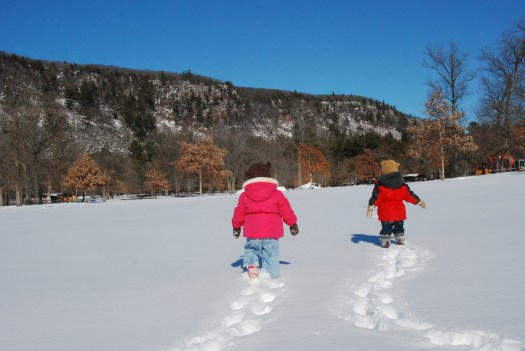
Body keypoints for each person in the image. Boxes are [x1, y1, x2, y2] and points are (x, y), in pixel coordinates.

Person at [232, 162, 299, 279]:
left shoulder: (244, 195)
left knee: (251, 249)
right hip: (271, 231)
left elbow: (239, 212)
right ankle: (272, 274)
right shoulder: (277, 194)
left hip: (253, 231)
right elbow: (286, 210)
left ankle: (252, 268)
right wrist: (292, 224)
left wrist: (236, 226)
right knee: (271, 252)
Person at [367, 160, 426, 248]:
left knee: (386, 228)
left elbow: (376, 197)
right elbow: (409, 195)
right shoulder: (402, 185)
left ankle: (386, 240)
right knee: (399, 227)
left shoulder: (380, 186)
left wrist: (370, 206)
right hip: (399, 213)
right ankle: (400, 238)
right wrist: (418, 201)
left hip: (386, 213)